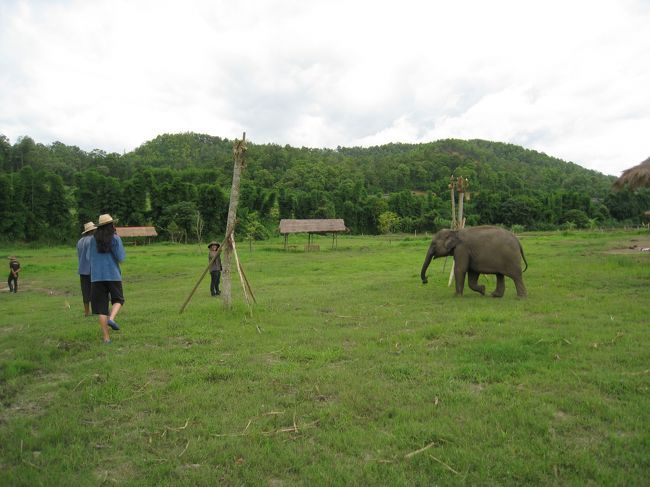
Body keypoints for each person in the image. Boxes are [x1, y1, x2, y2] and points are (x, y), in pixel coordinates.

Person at [89, 214, 126, 344]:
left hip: (96, 278)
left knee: (102, 308)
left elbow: (89, 258)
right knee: (118, 299)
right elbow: (121, 257)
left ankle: (106, 338)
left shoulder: (92, 240)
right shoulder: (115, 238)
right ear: (111, 225)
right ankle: (112, 318)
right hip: (112, 275)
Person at [77, 221, 97, 316]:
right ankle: (96, 310)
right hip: (92, 269)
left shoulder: (80, 241)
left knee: (85, 290)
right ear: (92, 230)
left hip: (82, 269)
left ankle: (86, 312)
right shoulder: (93, 240)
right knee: (95, 290)